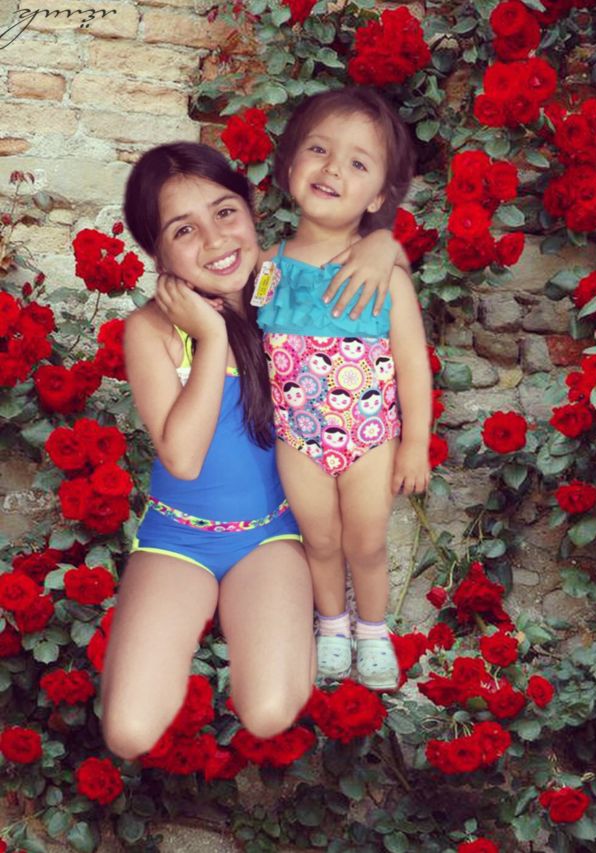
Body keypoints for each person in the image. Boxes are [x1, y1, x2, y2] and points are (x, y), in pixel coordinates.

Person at [100, 141, 403, 758]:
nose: (216, 240)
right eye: (184, 230)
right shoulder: (150, 330)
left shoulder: (291, 287)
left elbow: (370, 249)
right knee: (128, 732)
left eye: (225, 212)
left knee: (268, 712)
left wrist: (382, 244)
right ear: (157, 252)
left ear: (251, 208)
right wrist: (211, 338)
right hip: (178, 536)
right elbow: (183, 458)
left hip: (271, 536)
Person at [257, 88, 433, 691]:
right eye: (318, 150)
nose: (333, 168)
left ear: (379, 196)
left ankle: (374, 631)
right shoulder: (266, 267)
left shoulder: (386, 276)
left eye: (358, 163)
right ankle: (331, 626)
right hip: (296, 435)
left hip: (370, 437)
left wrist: (416, 444)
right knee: (319, 538)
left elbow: (413, 364)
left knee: (366, 541)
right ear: (289, 164)